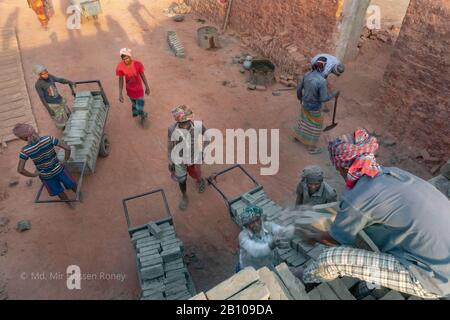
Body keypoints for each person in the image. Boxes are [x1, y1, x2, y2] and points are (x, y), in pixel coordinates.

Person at [297, 128, 450, 299]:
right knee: (369, 241)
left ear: (344, 167)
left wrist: (312, 237)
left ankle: (302, 280)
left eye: (338, 168)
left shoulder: (358, 198)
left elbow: (335, 239)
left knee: (331, 258)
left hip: (434, 278)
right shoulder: (393, 173)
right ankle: (366, 288)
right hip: (441, 256)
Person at [13, 123, 78, 208]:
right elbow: (67, 148)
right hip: (59, 169)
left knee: (59, 191)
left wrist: (34, 175)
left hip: (46, 176)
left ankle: (70, 204)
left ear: (22, 139)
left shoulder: (25, 151)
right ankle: (79, 194)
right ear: (34, 130)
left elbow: (20, 170)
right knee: (71, 183)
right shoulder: (48, 138)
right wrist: (65, 160)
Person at [293, 57, 339, 154]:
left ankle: (297, 137)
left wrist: (300, 99)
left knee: (303, 120)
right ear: (324, 66)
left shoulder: (307, 75)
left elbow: (298, 89)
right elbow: (323, 99)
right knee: (316, 125)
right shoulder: (322, 81)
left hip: (304, 103)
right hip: (314, 107)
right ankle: (311, 147)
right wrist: (334, 94)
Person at [168, 105, 208, 210]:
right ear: (177, 122)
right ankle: (184, 196)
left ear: (190, 119)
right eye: (182, 123)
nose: (185, 125)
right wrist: (171, 160)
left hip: (195, 157)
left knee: (197, 173)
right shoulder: (172, 129)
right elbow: (170, 145)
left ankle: (199, 180)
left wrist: (204, 150)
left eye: (187, 122)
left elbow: (207, 136)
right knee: (181, 180)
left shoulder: (198, 126)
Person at [238, 205, 295, 271]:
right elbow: (256, 251)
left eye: (257, 220)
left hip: (268, 266)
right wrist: (272, 244)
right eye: (252, 223)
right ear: (246, 225)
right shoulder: (243, 237)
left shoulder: (268, 225)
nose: (256, 224)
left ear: (260, 218)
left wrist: (296, 229)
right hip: (252, 272)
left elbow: (281, 230)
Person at [33, 64, 74, 130]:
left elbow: (60, 80)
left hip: (59, 99)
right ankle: (64, 129)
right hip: (53, 104)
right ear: (39, 75)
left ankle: (71, 124)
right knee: (59, 118)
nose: (46, 75)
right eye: (43, 74)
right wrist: (49, 109)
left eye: (46, 72)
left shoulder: (50, 76)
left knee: (66, 113)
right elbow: (42, 98)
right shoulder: (38, 85)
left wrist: (69, 81)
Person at [116, 48, 151, 124]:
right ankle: (134, 111)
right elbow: (121, 80)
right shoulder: (120, 67)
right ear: (121, 58)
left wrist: (147, 87)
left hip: (139, 90)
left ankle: (143, 115)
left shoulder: (138, 64)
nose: (126, 60)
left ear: (130, 56)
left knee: (139, 107)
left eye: (127, 58)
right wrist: (120, 93)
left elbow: (143, 76)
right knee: (134, 103)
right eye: (124, 59)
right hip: (130, 91)